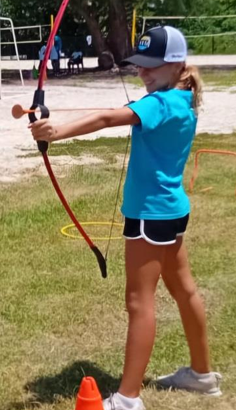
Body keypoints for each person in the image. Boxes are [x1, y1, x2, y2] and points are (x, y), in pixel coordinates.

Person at [29, 26, 222, 410]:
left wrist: (55, 132)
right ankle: (201, 375)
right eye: (139, 65)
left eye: (152, 66)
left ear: (177, 65)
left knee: (139, 301)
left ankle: (128, 398)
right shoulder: (181, 99)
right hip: (170, 211)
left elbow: (105, 119)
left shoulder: (160, 104)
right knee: (184, 290)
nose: (143, 72)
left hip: (150, 215)